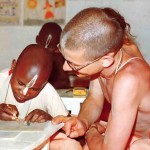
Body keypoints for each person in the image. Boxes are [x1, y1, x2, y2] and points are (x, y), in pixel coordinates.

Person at [52, 7, 150, 150]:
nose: (65, 68)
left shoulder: (129, 79)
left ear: (105, 60)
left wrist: (90, 131)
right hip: (131, 136)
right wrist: (82, 122)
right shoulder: (106, 53)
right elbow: (94, 98)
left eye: (74, 65)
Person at [0, 44, 68, 123]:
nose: (24, 93)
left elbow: (68, 124)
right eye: (20, 83)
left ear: (45, 82)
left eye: (34, 89)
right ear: (13, 66)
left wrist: (50, 119)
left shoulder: (47, 91)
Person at [36, 22, 70, 89]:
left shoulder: (58, 58)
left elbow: (63, 82)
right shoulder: (32, 55)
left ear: (58, 46)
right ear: (37, 39)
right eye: (42, 43)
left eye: (51, 46)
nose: (45, 48)